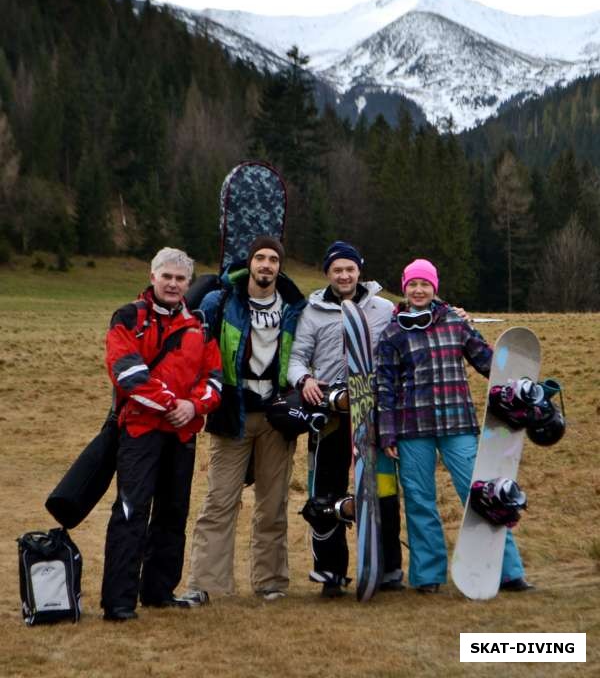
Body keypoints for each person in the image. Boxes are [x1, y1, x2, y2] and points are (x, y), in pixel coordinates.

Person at [376, 258, 533, 593]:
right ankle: (427, 576)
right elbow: (385, 387)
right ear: (405, 288)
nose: (419, 290)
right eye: (413, 284)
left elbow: (486, 360)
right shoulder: (392, 332)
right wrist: (387, 430)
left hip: (457, 423)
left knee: (483, 496)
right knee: (419, 501)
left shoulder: (454, 322)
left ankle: (508, 572)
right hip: (411, 429)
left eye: (425, 284)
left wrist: (519, 382)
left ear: (435, 287)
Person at [178, 235, 306, 604]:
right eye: (260, 258)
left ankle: (271, 582)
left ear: (280, 266)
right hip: (230, 414)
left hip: (277, 418)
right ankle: (205, 583)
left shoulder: (295, 307)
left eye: (273, 260)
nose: (266, 265)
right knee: (219, 501)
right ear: (249, 263)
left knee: (273, 502)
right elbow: (191, 338)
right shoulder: (222, 300)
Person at [101, 247, 223, 621]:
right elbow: (127, 373)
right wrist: (172, 403)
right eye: (166, 276)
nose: (172, 284)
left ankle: (158, 591)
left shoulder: (198, 327)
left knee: (173, 512)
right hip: (140, 432)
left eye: (180, 279)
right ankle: (119, 601)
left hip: (182, 435)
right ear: (153, 276)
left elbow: (214, 379)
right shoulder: (128, 317)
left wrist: (194, 406)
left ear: (188, 284)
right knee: (130, 511)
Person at [287, 241, 403, 598]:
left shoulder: (384, 308)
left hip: (374, 413)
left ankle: (387, 568)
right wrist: (303, 380)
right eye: (337, 269)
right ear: (328, 273)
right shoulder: (312, 310)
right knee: (326, 492)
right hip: (330, 414)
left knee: (381, 490)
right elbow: (296, 358)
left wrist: (452, 314)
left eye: (350, 268)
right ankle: (330, 571)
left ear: (359, 270)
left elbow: (413, 327)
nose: (344, 275)